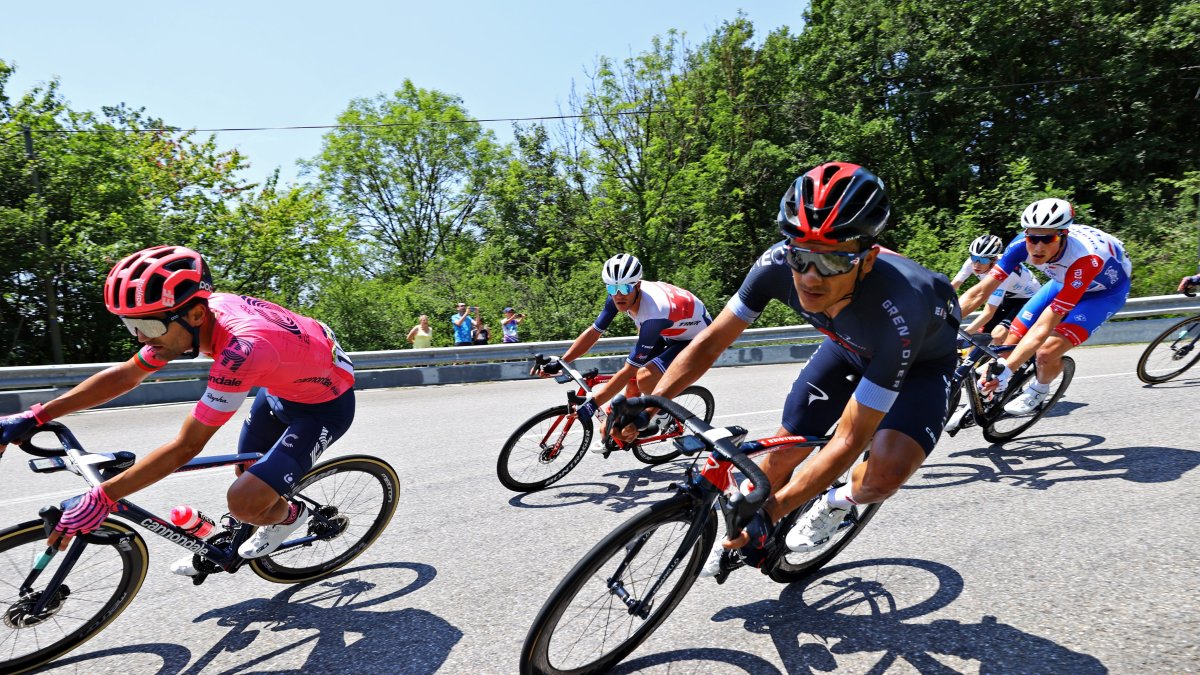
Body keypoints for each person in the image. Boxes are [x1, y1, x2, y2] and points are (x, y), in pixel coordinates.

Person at [633, 162, 960, 579]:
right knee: (785, 448)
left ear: (868, 258)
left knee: (884, 475)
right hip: (847, 348)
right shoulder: (773, 265)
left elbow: (847, 438)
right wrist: (652, 402)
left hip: (919, 364)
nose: (809, 277)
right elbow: (712, 341)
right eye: (800, 256)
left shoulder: (900, 310)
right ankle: (736, 536)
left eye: (832, 262)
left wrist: (773, 511)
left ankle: (836, 505)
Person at [0, 245, 356, 576]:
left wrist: (105, 496)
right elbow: (127, 375)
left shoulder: (241, 350)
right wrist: (37, 415)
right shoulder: (189, 318)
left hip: (323, 407)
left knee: (245, 501)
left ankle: (291, 516)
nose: (140, 337)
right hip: (284, 387)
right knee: (246, 470)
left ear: (197, 314)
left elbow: (187, 446)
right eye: (132, 325)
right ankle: (243, 529)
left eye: (149, 326)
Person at [959, 198, 1131, 416]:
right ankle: (995, 391)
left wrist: (1008, 369)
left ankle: (1039, 391)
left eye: (1047, 239)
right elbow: (980, 291)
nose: (1038, 247)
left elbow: (1043, 326)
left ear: (1063, 235)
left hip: (1102, 294)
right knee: (1011, 339)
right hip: (1062, 282)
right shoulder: (1021, 244)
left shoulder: (1085, 260)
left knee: (1045, 351)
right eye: (1033, 238)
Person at [541, 253, 711, 444]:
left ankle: (663, 414)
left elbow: (629, 368)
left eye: (624, 288)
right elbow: (594, 332)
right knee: (632, 383)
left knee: (644, 379)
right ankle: (625, 432)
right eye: (612, 288)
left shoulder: (653, 314)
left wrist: (594, 403)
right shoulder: (618, 296)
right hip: (671, 329)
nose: (618, 294)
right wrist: (563, 360)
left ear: (637, 285)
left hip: (696, 339)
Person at [952, 234, 1042, 344]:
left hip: (1028, 299)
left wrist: (966, 333)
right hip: (1007, 297)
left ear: (993, 260)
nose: (976, 264)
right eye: (974, 258)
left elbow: (988, 312)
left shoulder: (1003, 271)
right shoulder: (971, 262)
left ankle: (1002, 359)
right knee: (980, 335)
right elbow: (952, 287)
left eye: (983, 261)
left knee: (998, 334)